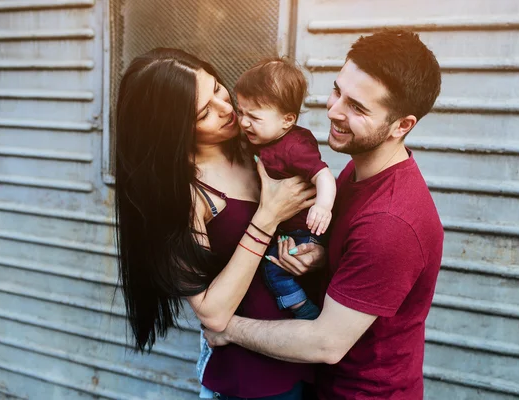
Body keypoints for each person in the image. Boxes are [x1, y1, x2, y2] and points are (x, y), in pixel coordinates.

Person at [204, 29, 444, 400]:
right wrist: (321, 257)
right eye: (337, 91)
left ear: (402, 126)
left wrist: (227, 329)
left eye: (358, 107)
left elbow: (326, 343)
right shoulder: (357, 172)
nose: (333, 110)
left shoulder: (392, 222)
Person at [114, 48, 325, 400]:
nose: (227, 109)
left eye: (216, 88)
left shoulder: (256, 144)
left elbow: (307, 220)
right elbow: (211, 311)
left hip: (304, 356)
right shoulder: (182, 195)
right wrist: (267, 217)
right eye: (204, 113)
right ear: (173, 129)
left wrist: (317, 256)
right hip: (251, 380)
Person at [234, 58, 336, 320]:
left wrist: (323, 207)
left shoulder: (294, 148)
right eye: (241, 112)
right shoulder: (264, 137)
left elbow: (323, 175)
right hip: (285, 226)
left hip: (302, 230)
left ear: (287, 120)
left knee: (274, 269)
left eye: (254, 117)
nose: (244, 123)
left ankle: (304, 310)